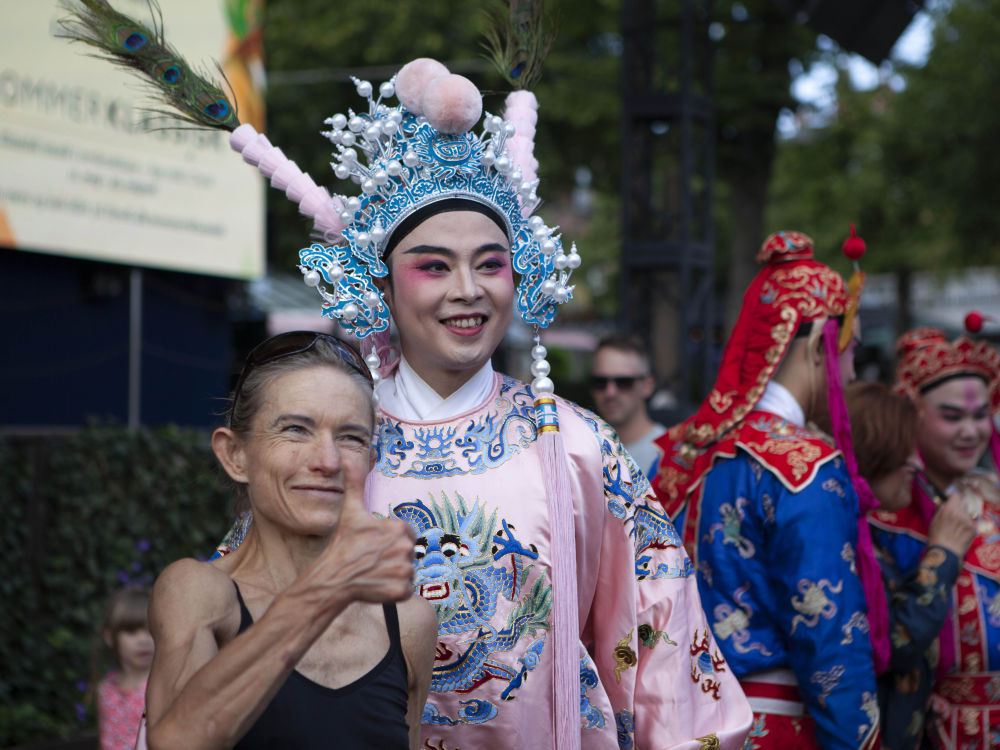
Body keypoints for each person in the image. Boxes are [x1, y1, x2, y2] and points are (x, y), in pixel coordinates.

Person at [58, 6, 752, 744]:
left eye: (491, 264)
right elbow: (241, 614)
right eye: (434, 266)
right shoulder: (334, 445)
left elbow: (659, 631)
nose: (468, 290)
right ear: (382, 286)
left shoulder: (575, 445)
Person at [144, 332, 438, 749]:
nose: (328, 461)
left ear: (370, 464)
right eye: (296, 429)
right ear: (235, 455)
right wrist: (319, 594)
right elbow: (177, 741)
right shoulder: (200, 592)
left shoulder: (409, 622)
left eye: (351, 437)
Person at [653, 230, 882, 749]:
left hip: (673, 724)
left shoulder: (676, 454)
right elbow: (832, 642)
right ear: (819, 344)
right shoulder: (804, 466)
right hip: (772, 726)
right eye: (851, 348)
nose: (851, 369)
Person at [868, 326, 1000, 749]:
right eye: (952, 416)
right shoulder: (887, 519)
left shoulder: (993, 498)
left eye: (979, 415)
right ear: (914, 414)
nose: (969, 432)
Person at [845, 380, 976, 750]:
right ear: (877, 452)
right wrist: (944, 553)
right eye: (907, 450)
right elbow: (894, 644)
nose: (918, 463)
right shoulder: (847, 537)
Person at [589, 335, 667, 481]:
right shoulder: (582, 451)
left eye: (624, 382)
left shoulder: (667, 455)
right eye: (600, 382)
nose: (610, 392)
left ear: (647, 385)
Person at [91, 586, 154, 750]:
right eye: (132, 631)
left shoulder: (162, 686)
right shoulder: (106, 689)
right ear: (110, 637)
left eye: (151, 630)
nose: (143, 640)